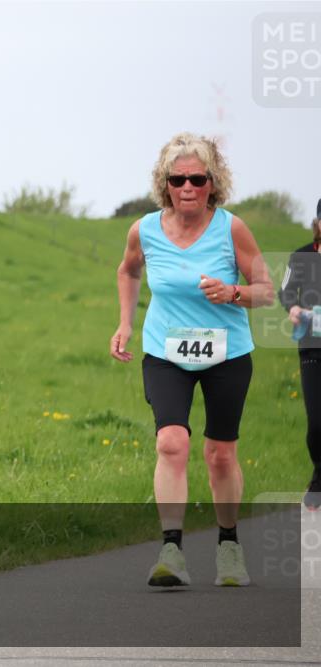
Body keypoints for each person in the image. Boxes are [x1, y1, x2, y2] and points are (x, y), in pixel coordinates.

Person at [110, 132, 274, 587]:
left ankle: (228, 546)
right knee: (171, 443)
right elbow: (127, 270)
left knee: (220, 454)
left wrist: (234, 292)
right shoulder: (143, 229)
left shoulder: (231, 228)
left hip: (227, 353)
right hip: (166, 351)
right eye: (177, 179)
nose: (187, 187)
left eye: (197, 179)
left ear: (212, 182)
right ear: (164, 184)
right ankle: (171, 551)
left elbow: (266, 291)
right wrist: (125, 322)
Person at [279, 198, 321, 509]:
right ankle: (319, 474)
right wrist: (292, 308)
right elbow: (285, 290)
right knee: (317, 423)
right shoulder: (301, 256)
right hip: (312, 346)